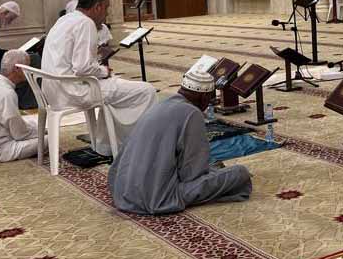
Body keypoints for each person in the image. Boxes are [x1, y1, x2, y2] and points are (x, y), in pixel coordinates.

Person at [108, 56, 253, 215]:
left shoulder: (162, 104)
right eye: (210, 99)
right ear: (203, 96)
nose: (209, 104)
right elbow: (192, 174)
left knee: (215, 166)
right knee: (240, 173)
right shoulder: (191, 113)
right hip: (155, 198)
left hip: (121, 190)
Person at [41, 0, 156, 156]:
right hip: (73, 91)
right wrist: (104, 71)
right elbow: (82, 67)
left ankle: (107, 145)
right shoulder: (85, 23)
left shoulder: (64, 20)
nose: (107, 13)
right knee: (147, 91)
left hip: (52, 91)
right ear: (98, 7)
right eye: (107, 7)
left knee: (117, 90)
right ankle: (139, 147)